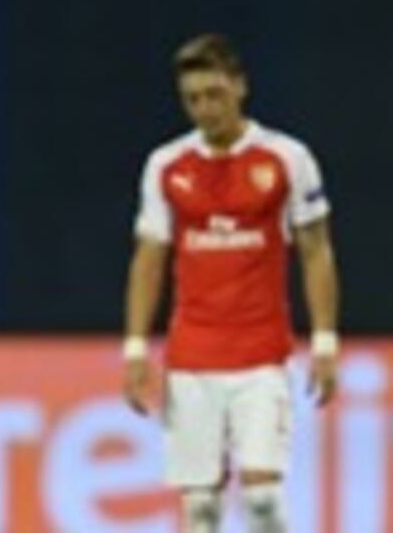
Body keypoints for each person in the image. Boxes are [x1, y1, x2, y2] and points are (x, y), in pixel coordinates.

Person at [123, 34, 340, 532]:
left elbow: (316, 249)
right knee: (200, 510)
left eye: (214, 95)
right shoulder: (167, 166)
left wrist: (325, 341)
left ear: (240, 88)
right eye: (193, 99)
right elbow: (149, 258)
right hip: (192, 356)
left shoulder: (287, 159)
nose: (204, 109)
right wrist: (135, 350)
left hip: (261, 353)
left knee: (263, 500)